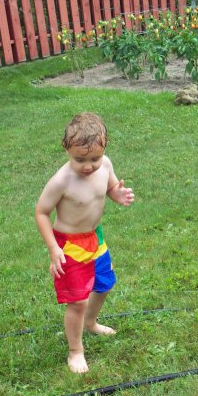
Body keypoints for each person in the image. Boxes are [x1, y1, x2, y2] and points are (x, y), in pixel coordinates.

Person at [35, 112, 134, 373]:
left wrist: (118, 194)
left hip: (95, 239)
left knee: (103, 285)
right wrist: (53, 248)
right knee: (77, 300)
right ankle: (75, 351)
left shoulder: (106, 165)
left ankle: (90, 322)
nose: (89, 166)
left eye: (95, 159)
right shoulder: (62, 181)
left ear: (104, 150)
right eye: (80, 160)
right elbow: (41, 212)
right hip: (69, 245)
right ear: (66, 150)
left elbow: (110, 187)